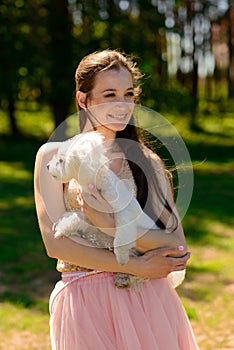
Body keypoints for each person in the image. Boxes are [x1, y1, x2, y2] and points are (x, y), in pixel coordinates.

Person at [34, 49, 199, 349]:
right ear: (83, 100)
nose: (122, 104)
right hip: (84, 301)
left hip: (148, 298)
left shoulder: (148, 162)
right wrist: (134, 265)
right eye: (109, 94)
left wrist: (109, 224)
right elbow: (55, 244)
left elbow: (176, 244)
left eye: (128, 94)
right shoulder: (52, 157)